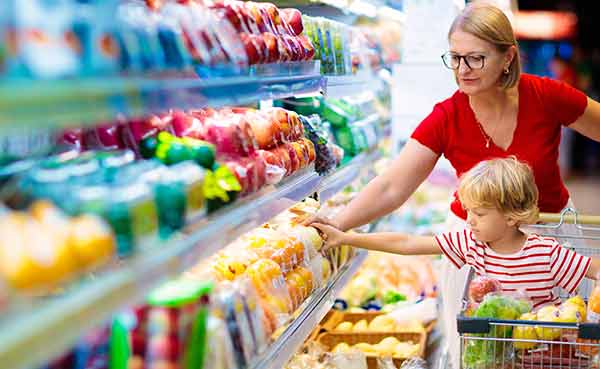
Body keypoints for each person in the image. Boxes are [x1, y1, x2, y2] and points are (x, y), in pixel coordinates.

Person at [304, 3, 600, 368]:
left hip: (549, 240)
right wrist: (339, 224)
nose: (463, 70)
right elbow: (392, 187)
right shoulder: (447, 116)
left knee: (556, 348)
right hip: (475, 246)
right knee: (479, 352)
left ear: (507, 57)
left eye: (475, 59)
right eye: (456, 58)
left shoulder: (545, 95)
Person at [312, 158, 600, 350]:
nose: (470, 220)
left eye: (479, 213)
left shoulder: (545, 252)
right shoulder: (470, 243)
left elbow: (593, 268)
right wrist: (348, 237)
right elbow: (408, 242)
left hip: (542, 355)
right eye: (468, 212)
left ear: (513, 216)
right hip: (490, 355)